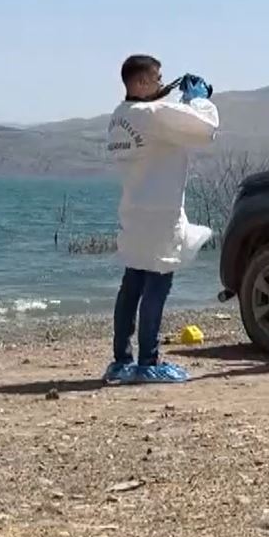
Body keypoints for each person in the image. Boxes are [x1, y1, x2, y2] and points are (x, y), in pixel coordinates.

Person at [103, 55, 220, 385]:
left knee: (132, 283)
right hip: (160, 216)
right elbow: (204, 128)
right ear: (140, 83)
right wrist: (198, 100)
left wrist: (180, 102)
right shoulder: (152, 115)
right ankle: (148, 360)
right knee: (158, 283)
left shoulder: (119, 117)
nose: (160, 83)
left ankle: (121, 359)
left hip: (133, 213)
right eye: (157, 79)